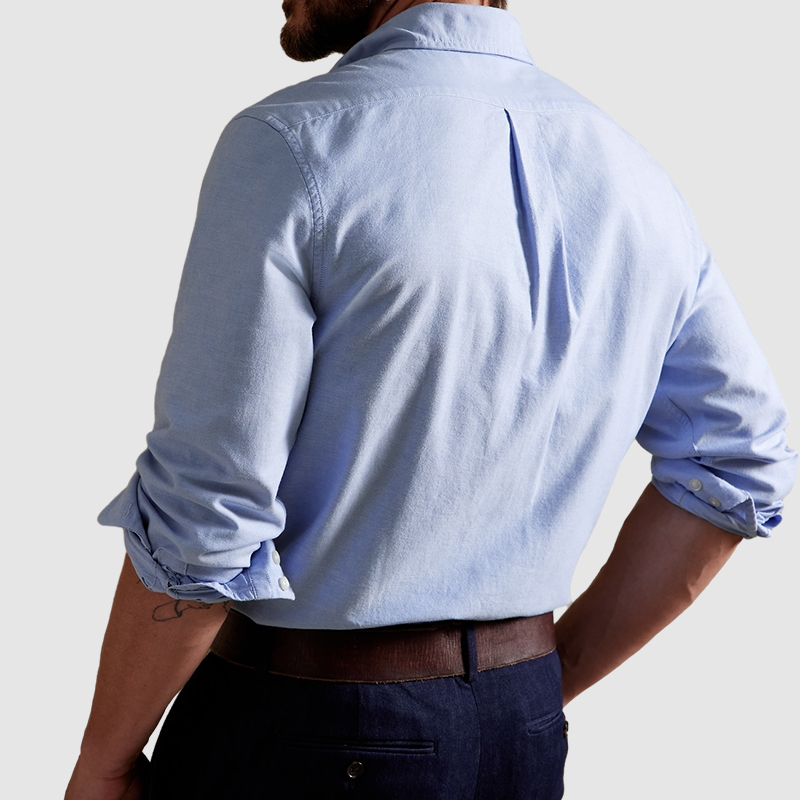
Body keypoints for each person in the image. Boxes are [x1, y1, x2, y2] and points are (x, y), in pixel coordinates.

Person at [66, 1, 797, 798]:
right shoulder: (633, 173)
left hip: (305, 730)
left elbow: (206, 518)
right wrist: (543, 682)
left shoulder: (295, 144)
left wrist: (103, 764)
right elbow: (741, 459)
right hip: (519, 729)